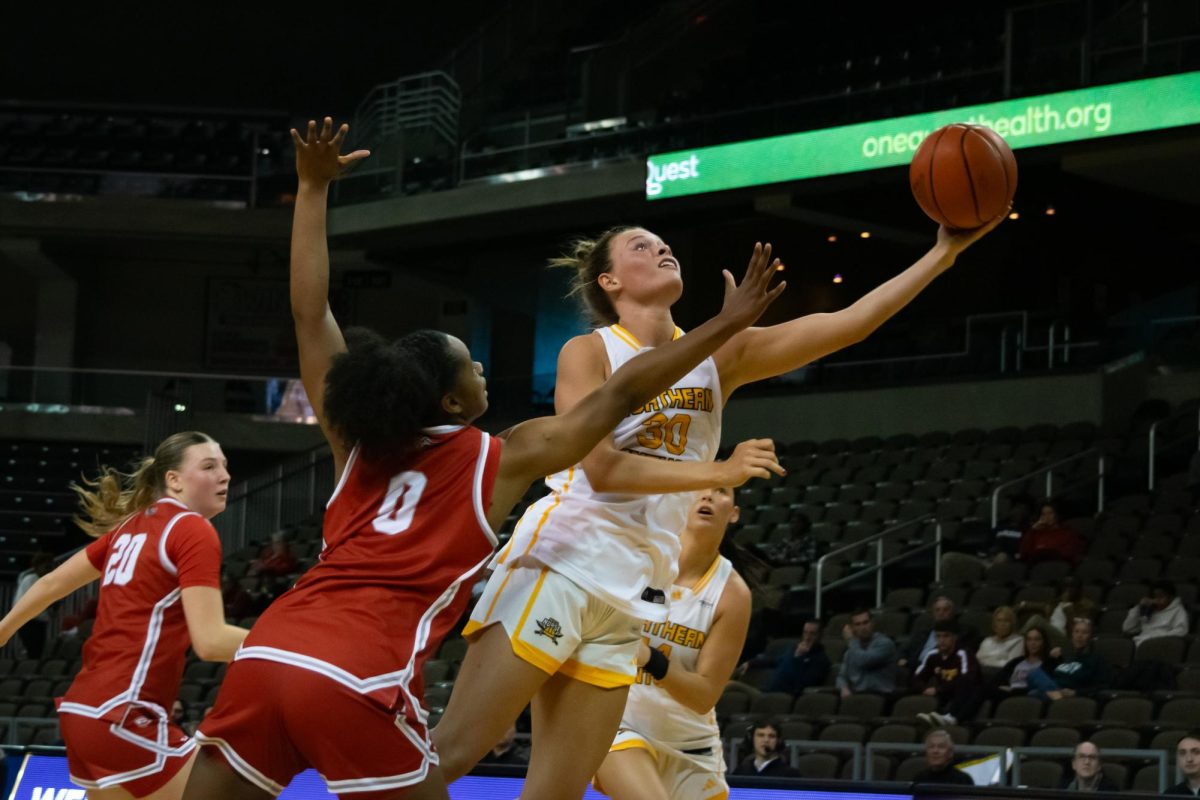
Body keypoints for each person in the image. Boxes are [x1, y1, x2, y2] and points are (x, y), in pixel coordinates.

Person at [181, 116, 785, 800]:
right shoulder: (500, 457)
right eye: (471, 365)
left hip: (269, 651)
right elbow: (622, 393)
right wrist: (724, 325)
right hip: (358, 671)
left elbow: (309, 313)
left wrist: (312, 190)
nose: (483, 371)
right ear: (449, 400)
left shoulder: (355, 442)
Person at [433, 190, 1004, 793]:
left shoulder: (720, 356)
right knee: (456, 751)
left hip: (633, 587)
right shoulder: (591, 350)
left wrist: (942, 253)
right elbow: (601, 469)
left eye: (664, 243)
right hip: (565, 559)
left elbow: (851, 323)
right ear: (609, 281)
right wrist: (719, 472)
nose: (662, 248)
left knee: (558, 791)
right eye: (641, 246)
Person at [0, 431, 249, 800]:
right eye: (209, 466)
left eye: (225, 466)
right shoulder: (192, 529)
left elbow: (51, 584)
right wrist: (293, 648)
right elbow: (211, 642)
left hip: (84, 713)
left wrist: (2, 632)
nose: (225, 475)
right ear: (174, 480)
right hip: (125, 715)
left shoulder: (130, 527)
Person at [593, 486, 751, 800]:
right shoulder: (642, 557)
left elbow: (704, 696)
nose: (707, 496)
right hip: (621, 724)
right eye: (700, 489)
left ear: (733, 513)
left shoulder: (733, 594)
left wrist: (649, 658)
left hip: (692, 745)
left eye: (720, 491)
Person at [913, 620, 983, 727]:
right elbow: (916, 677)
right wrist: (924, 689)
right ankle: (933, 716)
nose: (941, 640)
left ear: (955, 637)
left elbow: (967, 678)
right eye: (938, 636)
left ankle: (951, 717)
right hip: (945, 692)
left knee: (966, 685)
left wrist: (938, 689)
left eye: (946, 636)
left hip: (967, 693)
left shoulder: (963, 653)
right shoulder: (932, 654)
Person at [741, 619, 830, 695]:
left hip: (783, 697)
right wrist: (750, 663)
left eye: (812, 634)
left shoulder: (821, 660)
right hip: (769, 692)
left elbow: (801, 685)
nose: (807, 637)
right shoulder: (794, 650)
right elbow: (774, 661)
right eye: (805, 632)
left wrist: (797, 658)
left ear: (820, 636)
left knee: (733, 686)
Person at [1029, 618, 1111, 700]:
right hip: (1054, 690)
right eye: (1076, 632)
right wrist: (1051, 658)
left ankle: (1058, 699)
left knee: (1034, 691)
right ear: (1072, 635)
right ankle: (1058, 697)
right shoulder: (1063, 656)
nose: (1079, 636)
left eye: (1084, 632)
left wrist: (1076, 692)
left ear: (1091, 637)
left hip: (1071, 694)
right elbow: (1043, 674)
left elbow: (1102, 686)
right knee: (1034, 678)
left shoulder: (1096, 659)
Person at [836, 609, 897, 697]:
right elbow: (841, 677)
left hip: (881, 695)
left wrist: (851, 640)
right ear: (852, 628)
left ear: (872, 623)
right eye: (858, 624)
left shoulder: (885, 644)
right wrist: (843, 688)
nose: (863, 627)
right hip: (858, 695)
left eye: (866, 622)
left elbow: (863, 661)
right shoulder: (852, 649)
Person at [990, 625, 1055, 701]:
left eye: (1037, 639)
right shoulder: (1016, 662)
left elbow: (1046, 688)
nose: (1032, 643)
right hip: (1007, 695)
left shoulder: (1049, 663)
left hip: (1027, 696)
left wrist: (1013, 690)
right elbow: (996, 681)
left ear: (1044, 642)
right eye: (1029, 639)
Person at [11, 551, 54, 658]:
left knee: (37, 652)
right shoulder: (31, 579)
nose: (49, 570)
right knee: (34, 651)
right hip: (29, 621)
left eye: (51, 567)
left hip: (37, 621)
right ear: (37, 567)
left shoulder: (42, 580)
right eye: (47, 567)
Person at [1122, 580, 1189, 647]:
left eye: (1161, 596)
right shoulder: (1149, 610)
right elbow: (1127, 629)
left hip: (1160, 644)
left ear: (1171, 597)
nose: (1157, 600)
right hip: (1140, 642)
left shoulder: (1178, 610)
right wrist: (1138, 608)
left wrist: (1155, 638)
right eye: (1155, 597)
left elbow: (1181, 631)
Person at [1017, 500, 1085, 565]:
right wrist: (1032, 530)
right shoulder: (1036, 533)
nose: (1047, 517)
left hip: (1056, 565)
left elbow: (1069, 554)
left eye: (1050, 513)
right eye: (1043, 514)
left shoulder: (1067, 532)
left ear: (1057, 514)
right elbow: (1024, 552)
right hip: (1036, 565)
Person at [729, 721, 799, 778]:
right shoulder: (740, 772)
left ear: (779, 741)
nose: (766, 740)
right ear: (751, 739)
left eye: (771, 736)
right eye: (761, 735)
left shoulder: (790, 774)